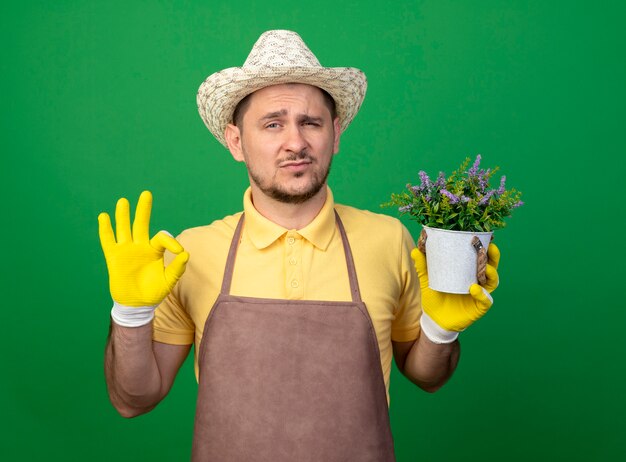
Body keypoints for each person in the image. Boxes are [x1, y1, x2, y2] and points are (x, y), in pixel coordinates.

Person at [98, 30, 501, 461]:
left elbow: (427, 376)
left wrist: (441, 332)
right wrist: (131, 314)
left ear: (336, 134)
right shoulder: (192, 252)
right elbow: (133, 400)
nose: (296, 142)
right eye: (273, 124)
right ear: (236, 141)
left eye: (311, 122)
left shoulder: (387, 240)